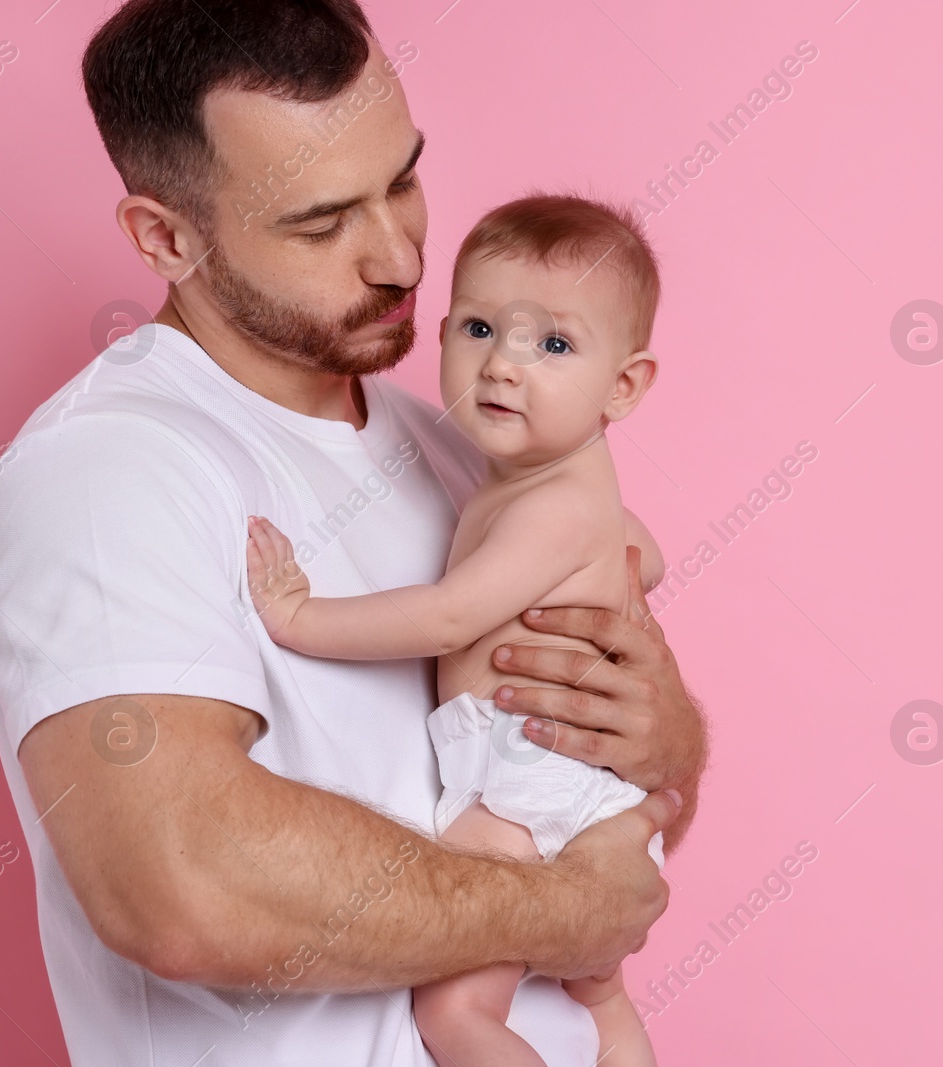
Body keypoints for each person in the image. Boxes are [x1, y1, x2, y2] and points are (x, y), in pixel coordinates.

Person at [0, 2, 707, 1065]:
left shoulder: (461, 448)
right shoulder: (106, 473)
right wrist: (552, 908)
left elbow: (619, 823)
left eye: (401, 180)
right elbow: (182, 885)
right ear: (165, 237)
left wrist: (668, 737)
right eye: (320, 222)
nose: (400, 258)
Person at [247, 193, 666, 1066]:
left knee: (455, 1014)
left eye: (552, 344)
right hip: (563, 771)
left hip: (523, 774)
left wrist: (299, 614)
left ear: (623, 385)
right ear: (438, 334)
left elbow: (447, 614)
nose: (503, 366)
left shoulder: (550, 504)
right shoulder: (560, 482)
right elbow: (645, 554)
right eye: (479, 329)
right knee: (599, 993)